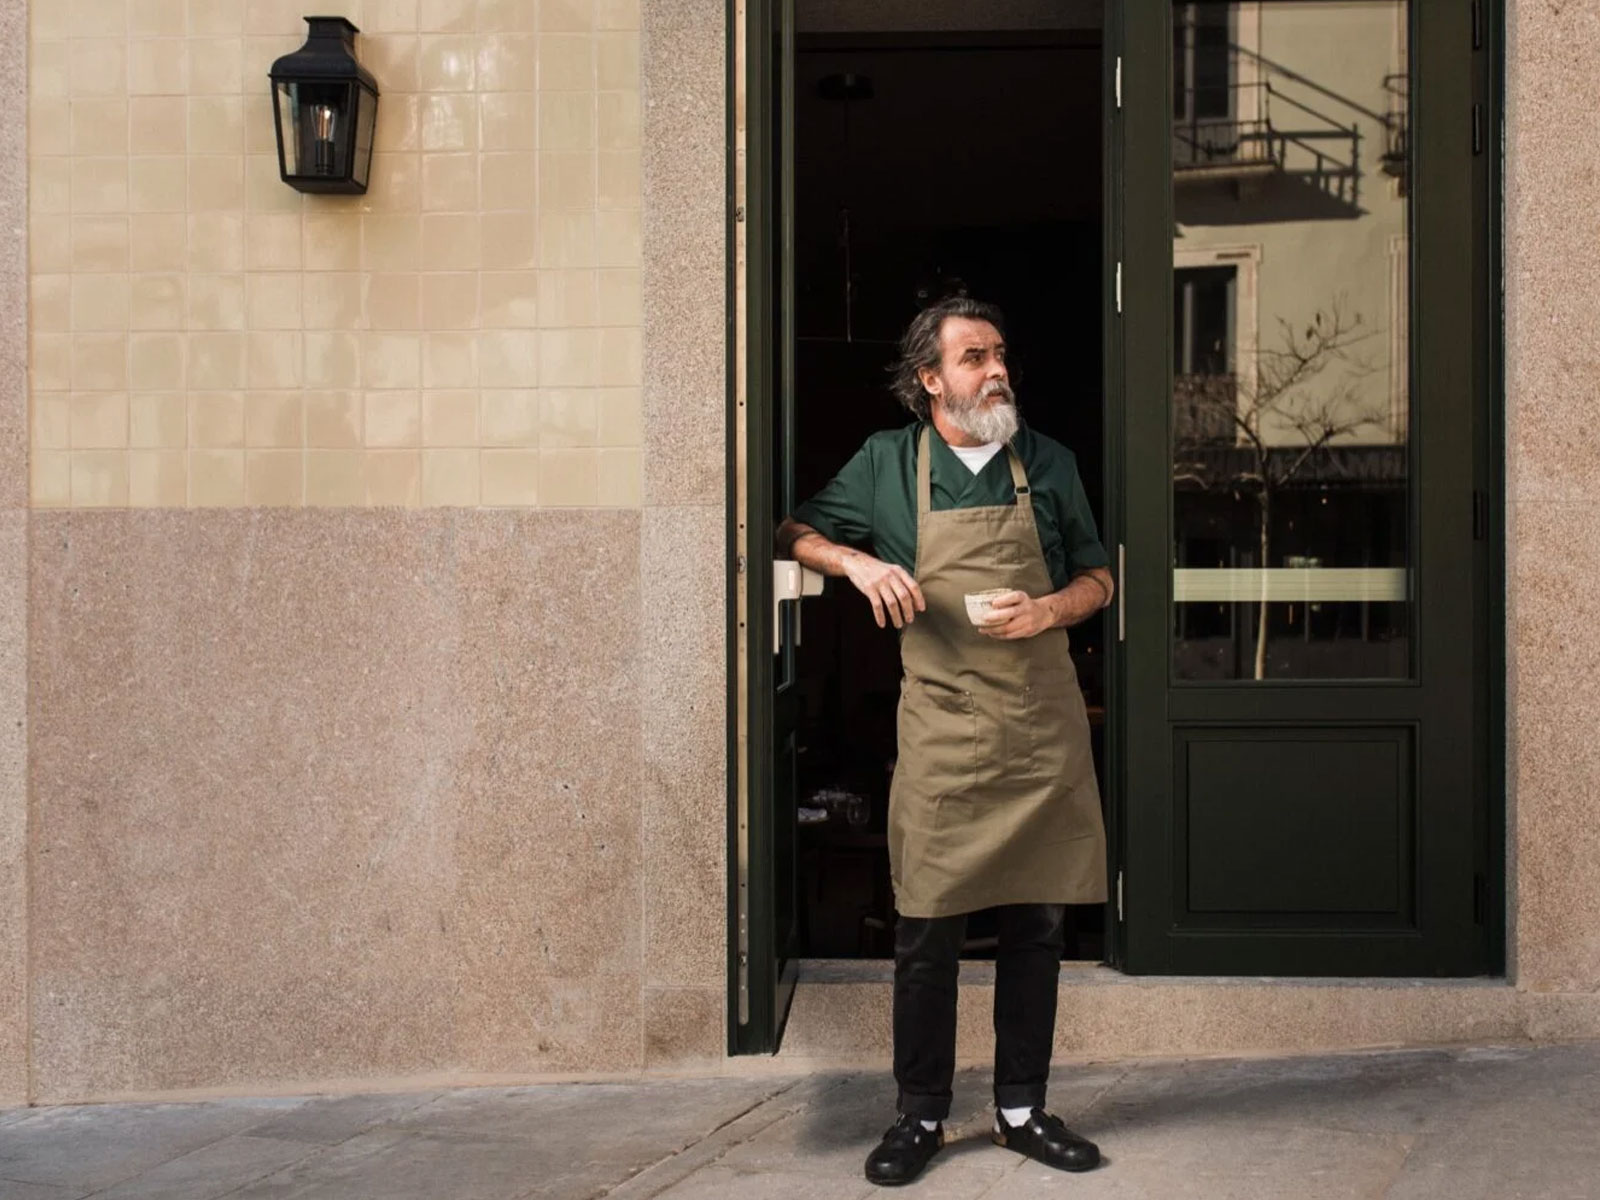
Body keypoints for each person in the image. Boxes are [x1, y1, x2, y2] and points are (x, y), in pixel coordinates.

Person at [777, 296, 1113, 1186]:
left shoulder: (1047, 462)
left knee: (1037, 924)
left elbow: (1099, 577)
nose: (996, 370)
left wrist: (1048, 609)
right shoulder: (887, 464)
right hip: (941, 729)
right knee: (925, 929)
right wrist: (856, 562)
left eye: (1000, 354)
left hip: (1039, 729)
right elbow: (794, 530)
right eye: (974, 358)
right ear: (930, 379)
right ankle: (919, 1112)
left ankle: (1021, 1109)